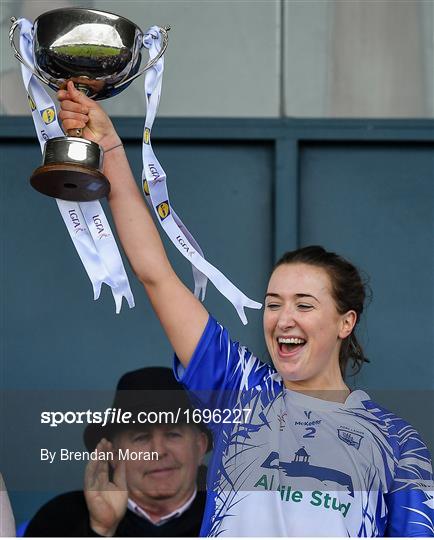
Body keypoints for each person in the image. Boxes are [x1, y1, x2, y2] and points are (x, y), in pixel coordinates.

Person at [57, 82, 434, 537]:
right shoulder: (242, 393)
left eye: (304, 304)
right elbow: (156, 275)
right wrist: (112, 150)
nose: (283, 318)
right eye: (273, 304)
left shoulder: (397, 446)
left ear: (345, 322)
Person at [25, 367, 210, 537]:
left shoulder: (235, 519)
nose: (159, 451)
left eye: (173, 434)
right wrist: (101, 530)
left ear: (200, 447)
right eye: (141, 437)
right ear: (113, 455)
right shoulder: (58, 520)